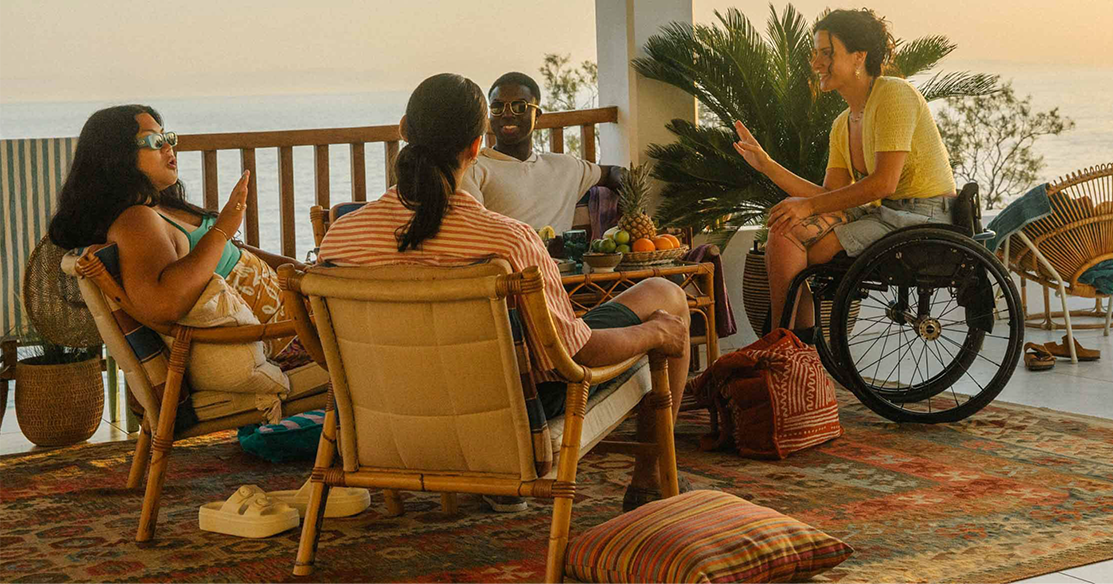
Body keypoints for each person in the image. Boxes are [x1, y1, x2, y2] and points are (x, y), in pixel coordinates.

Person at [317, 73, 690, 512]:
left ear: (403, 130)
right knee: (666, 297)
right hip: (502, 421)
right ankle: (650, 479)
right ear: (477, 146)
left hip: (383, 422)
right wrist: (657, 335)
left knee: (656, 297)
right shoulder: (507, 242)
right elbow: (577, 354)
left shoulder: (341, 238)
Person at [733, 9, 959, 332]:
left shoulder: (894, 94)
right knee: (783, 233)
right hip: (884, 215)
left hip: (923, 216)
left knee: (815, 247)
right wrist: (767, 165)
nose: (815, 64)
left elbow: (883, 183)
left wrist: (809, 207)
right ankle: (792, 345)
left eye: (827, 53)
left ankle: (783, 343)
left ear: (858, 57)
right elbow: (830, 197)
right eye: (815, 54)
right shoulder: (843, 124)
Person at [46, 105, 295, 350]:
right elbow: (164, 304)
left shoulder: (160, 205)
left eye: (167, 137)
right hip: (287, 337)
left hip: (295, 315)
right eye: (155, 141)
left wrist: (298, 271)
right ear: (118, 156)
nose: (168, 147)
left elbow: (233, 253)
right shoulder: (136, 222)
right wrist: (221, 230)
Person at [458, 71, 626, 234]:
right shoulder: (474, 167)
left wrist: (631, 200)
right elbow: (473, 230)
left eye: (519, 106)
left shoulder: (565, 167)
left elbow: (611, 172)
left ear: (536, 115)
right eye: (497, 107)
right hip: (505, 260)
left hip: (560, 262)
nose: (507, 114)